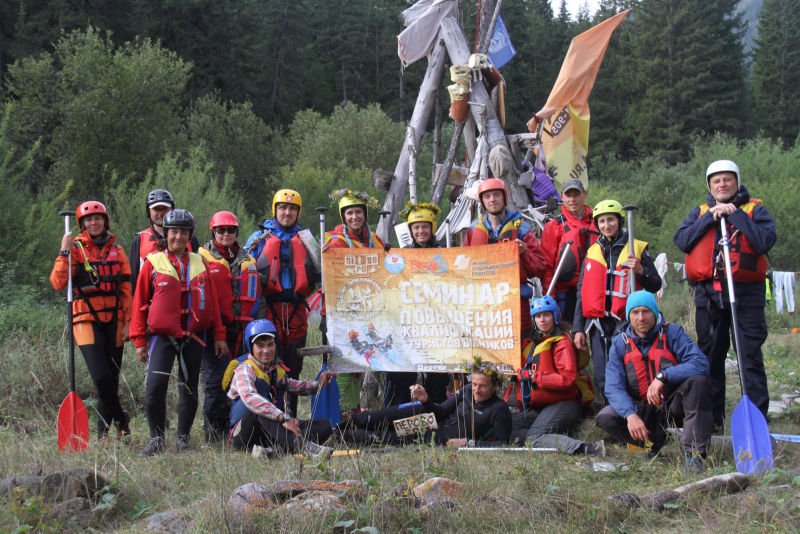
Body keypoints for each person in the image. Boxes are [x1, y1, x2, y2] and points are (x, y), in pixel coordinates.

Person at [673, 160, 776, 428]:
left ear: (737, 182)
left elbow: (765, 241)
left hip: (746, 295)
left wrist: (735, 215)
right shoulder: (700, 212)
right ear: (710, 185)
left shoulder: (755, 210)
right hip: (709, 295)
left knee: (748, 356)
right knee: (710, 357)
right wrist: (712, 216)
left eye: (727, 180)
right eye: (716, 181)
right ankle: (712, 417)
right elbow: (682, 240)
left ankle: (756, 419)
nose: (722, 185)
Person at [130, 209, 229, 455]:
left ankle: (182, 439)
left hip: (193, 337)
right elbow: (139, 303)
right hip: (163, 337)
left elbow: (213, 303)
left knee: (189, 388)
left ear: (189, 235)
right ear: (166, 233)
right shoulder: (153, 262)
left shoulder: (200, 262)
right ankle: (156, 439)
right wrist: (139, 340)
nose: (178, 237)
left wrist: (219, 335)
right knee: (155, 387)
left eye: (183, 232)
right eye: (173, 232)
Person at [597, 291, 713, 472]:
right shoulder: (620, 343)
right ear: (629, 316)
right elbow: (613, 386)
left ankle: (694, 456)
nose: (641, 318)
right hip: (641, 409)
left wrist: (664, 376)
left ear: (655, 313)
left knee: (698, 382)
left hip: (672, 405)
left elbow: (700, 363)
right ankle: (654, 443)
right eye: (635, 313)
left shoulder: (673, 333)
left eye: (646, 312)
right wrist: (630, 415)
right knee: (606, 416)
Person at [50, 201, 133, 440]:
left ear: (105, 221)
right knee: (100, 376)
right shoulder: (75, 248)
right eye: (88, 220)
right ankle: (121, 419)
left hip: (115, 319)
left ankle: (103, 433)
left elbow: (126, 290)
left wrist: (128, 322)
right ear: (82, 224)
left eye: (98, 219)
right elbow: (58, 282)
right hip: (85, 317)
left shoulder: (117, 250)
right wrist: (63, 251)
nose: (93, 223)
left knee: (112, 379)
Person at [572, 199, 661, 399]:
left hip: (626, 324)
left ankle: (635, 410)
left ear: (619, 221)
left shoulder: (635, 248)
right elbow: (581, 292)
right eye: (602, 221)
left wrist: (640, 270)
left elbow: (655, 284)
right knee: (603, 374)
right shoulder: (592, 252)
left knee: (628, 371)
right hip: (597, 324)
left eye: (610, 220)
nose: (606, 225)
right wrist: (578, 329)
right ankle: (608, 413)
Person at [245, 189, 319, 417]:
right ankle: (270, 417)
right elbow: (245, 270)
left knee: (294, 367)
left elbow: (321, 271)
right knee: (269, 365)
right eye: (283, 208)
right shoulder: (259, 238)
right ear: (275, 210)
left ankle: (292, 417)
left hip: (296, 310)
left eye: (292, 209)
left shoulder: (307, 239)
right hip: (269, 309)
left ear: (298, 212)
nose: (287, 213)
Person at [506, 296, 605, 455]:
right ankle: (547, 437)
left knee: (533, 438)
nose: (542, 320)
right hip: (542, 406)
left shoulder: (563, 343)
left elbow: (567, 379)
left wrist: (536, 377)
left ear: (554, 316)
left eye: (546, 315)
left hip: (565, 404)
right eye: (538, 316)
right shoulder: (534, 343)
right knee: (506, 427)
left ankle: (587, 448)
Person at [339, 357, 511, 447]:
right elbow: (442, 412)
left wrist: (468, 443)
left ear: (495, 387)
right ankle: (341, 426)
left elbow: (503, 444)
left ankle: (349, 437)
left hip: (439, 437)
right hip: (432, 421)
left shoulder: (499, 409)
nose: (477, 390)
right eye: (474, 384)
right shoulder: (467, 391)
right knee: (384, 419)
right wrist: (426, 399)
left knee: (389, 437)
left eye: (483, 387)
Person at [225, 319, 334, 458]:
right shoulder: (244, 369)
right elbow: (250, 397)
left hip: (270, 430)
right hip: (244, 434)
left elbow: (293, 385)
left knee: (323, 425)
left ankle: (273, 451)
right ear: (250, 346)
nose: (266, 350)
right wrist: (282, 417)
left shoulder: (273, 369)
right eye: (260, 346)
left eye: (270, 345)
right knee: (260, 409)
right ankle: (303, 446)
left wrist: (317, 384)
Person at [198, 211, 261, 441]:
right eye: (221, 230)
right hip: (216, 332)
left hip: (242, 332)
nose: (226, 234)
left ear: (237, 232)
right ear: (213, 232)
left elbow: (258, 301)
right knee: (216, 381)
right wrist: (217, 333)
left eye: (231, 230)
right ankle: (213, 433)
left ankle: (236, 428)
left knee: (242, 381)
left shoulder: (248, 260)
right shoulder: (202, 259)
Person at [323, 189, 386, 413]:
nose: (354, 217)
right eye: (349, 213)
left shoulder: (375, 241)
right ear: (343, 216)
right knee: (342, 363)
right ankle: (340, 412)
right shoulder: (335, 242)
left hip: (368, 311)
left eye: (358, 212)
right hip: (342, 312)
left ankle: (355, 411)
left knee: (360, 361)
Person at [464, 178, 548, 343]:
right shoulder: (474, 230)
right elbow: (462, 265)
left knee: (520, 350)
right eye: (487, 197)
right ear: (482, 201)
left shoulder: (522, 229)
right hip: (484, 305)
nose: (492, 200)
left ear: (505, 198)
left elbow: (539, 267)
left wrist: (524, 253)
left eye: (496, 195)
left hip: (516, 303)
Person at [383, 203, 450, 407]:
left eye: (425, 227)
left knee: (437, 378)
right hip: (410, 324)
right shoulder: (401, 256)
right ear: (411, 231)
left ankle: (438, 416)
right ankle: (398, 419)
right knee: (402, 376)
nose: (421, 231)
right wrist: (383, 256)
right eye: (416, 227)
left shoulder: (446, 253)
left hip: (437, 324)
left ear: (432, 228)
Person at [540, 178, 597, 323]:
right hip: (565, 293)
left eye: (576, 195)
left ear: (585, 194)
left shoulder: (598, 223)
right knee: (567, 337)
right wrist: (550, 298)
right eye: (568, 195)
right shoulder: (553, 226)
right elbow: (546, 267)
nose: (572, 199)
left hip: (594, 291)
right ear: (562, 197)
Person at [129, 189, 199, 294]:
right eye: (156, 209)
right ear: (149, 211)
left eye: (165, 209)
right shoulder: (139, 240)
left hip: (186, 299)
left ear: (172, 209)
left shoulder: (189, 238)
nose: (161, 213)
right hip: (153, 302)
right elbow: (133, 280)